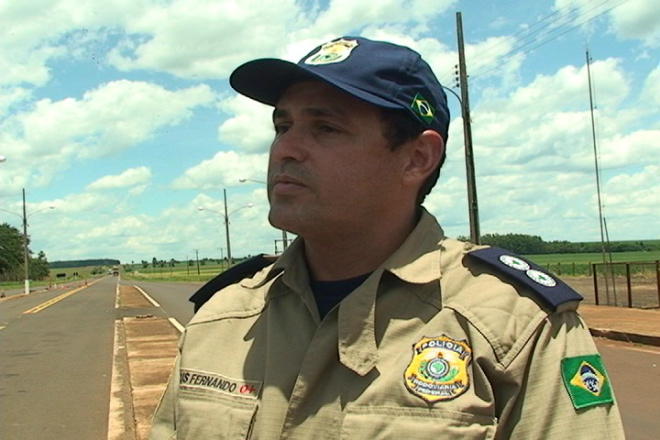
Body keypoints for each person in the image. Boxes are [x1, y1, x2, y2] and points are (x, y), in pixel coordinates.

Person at [150, 36, 624, 439]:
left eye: (325, 128)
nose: (285, 150)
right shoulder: (223, 318)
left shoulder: (514, 328)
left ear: (417, 158)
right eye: (283, 126)